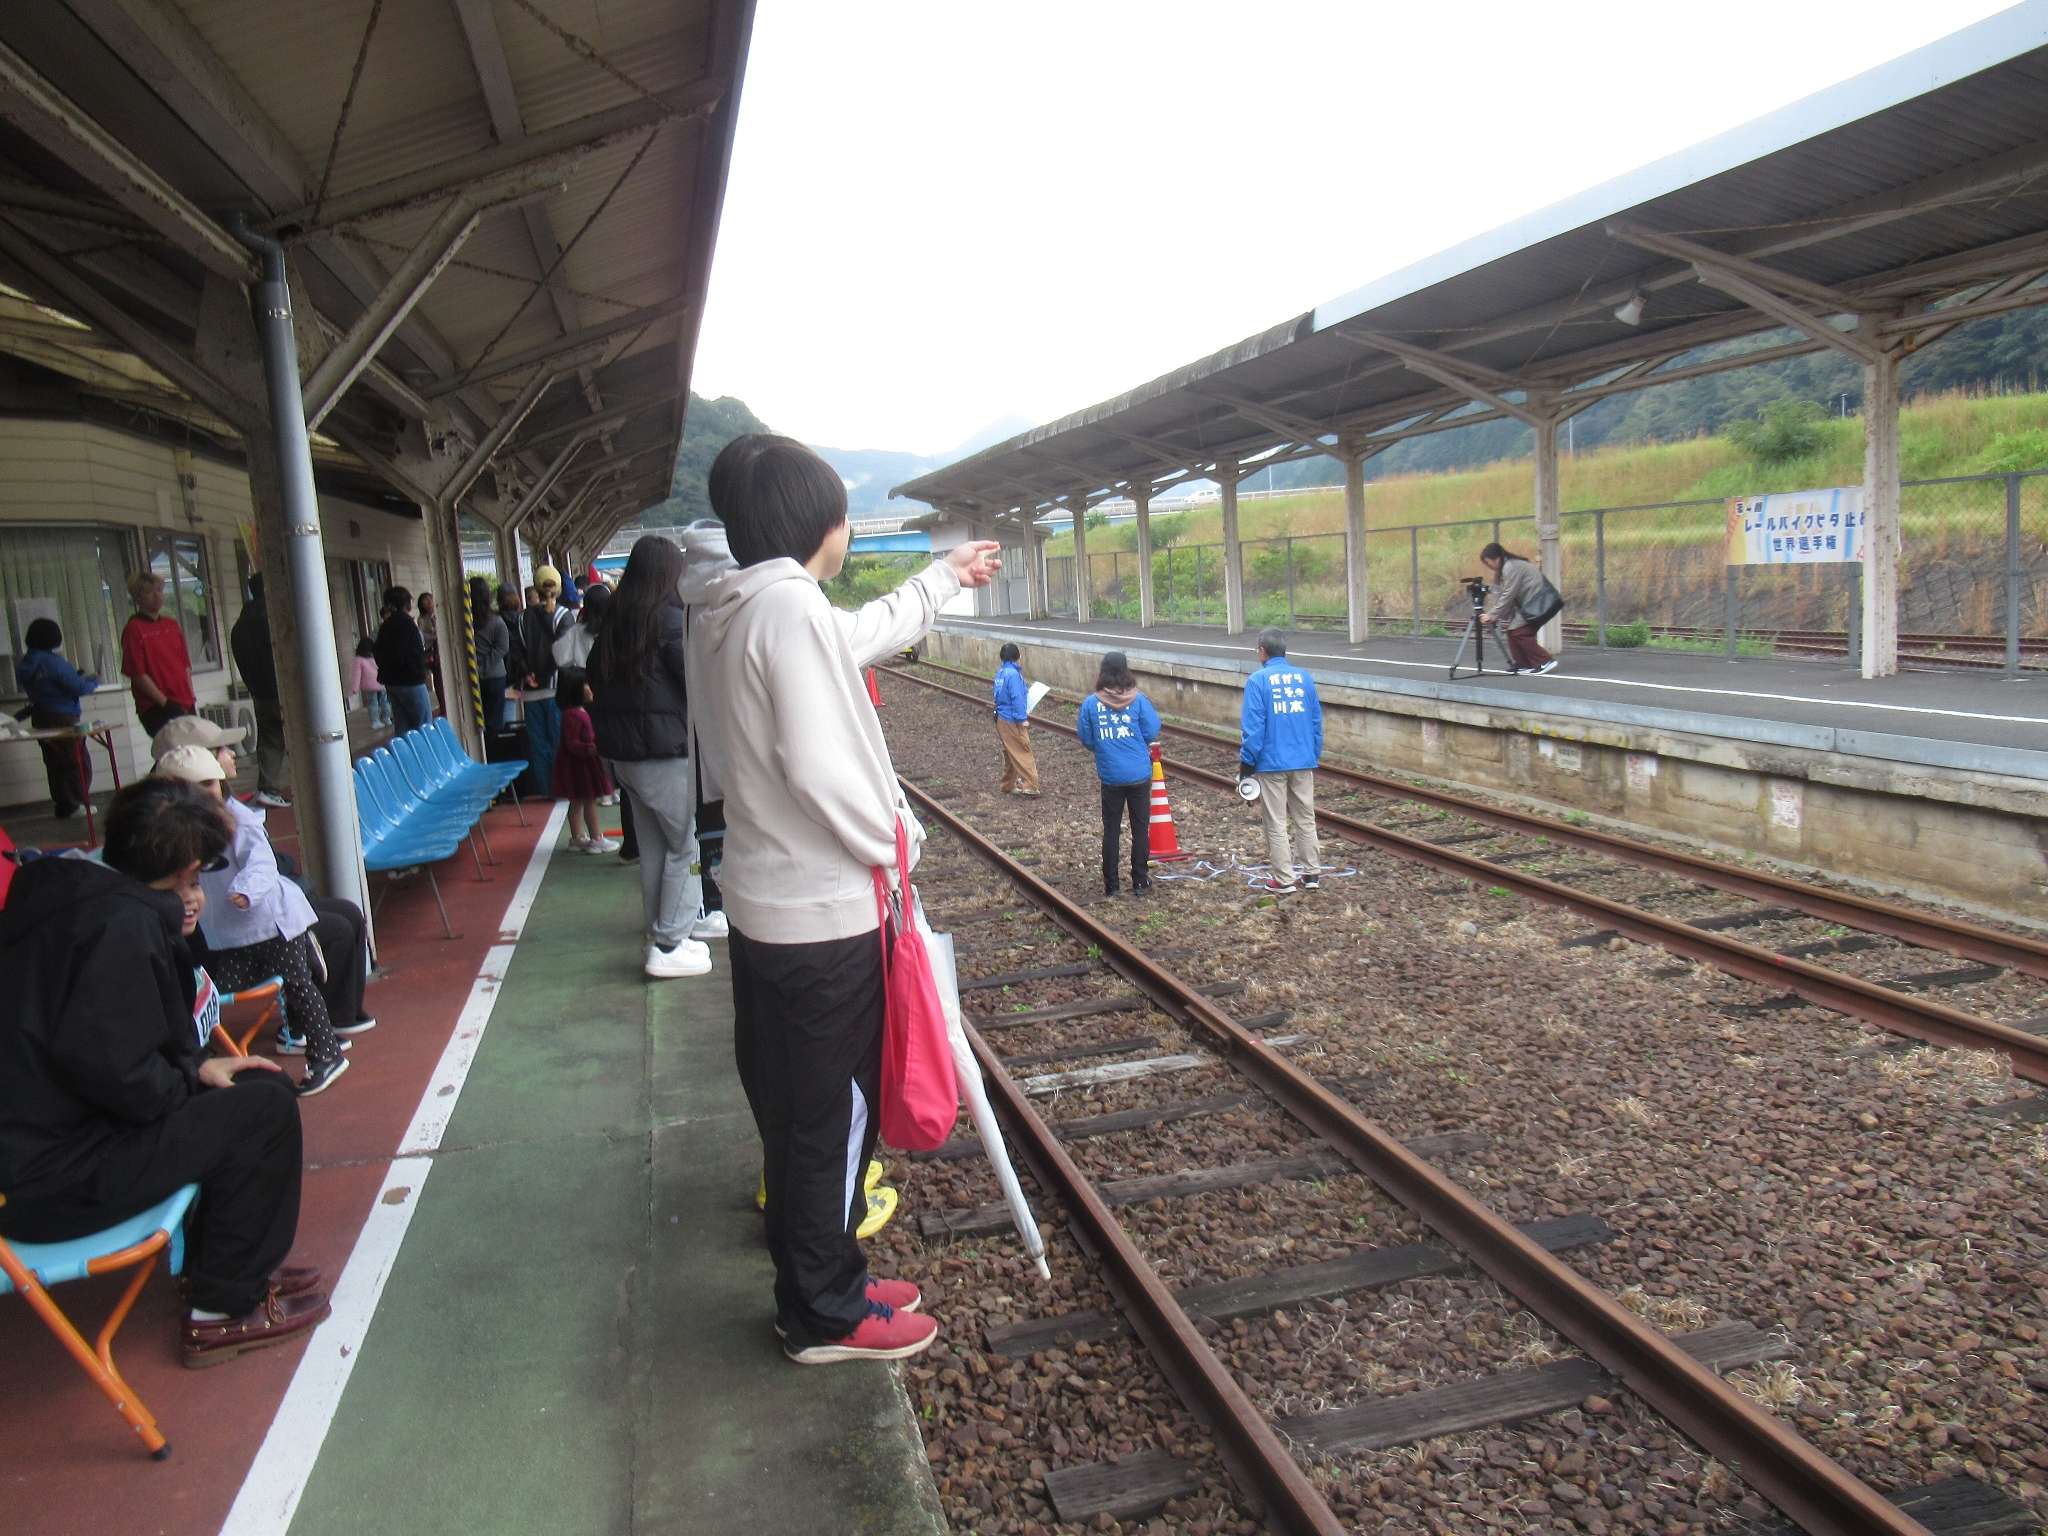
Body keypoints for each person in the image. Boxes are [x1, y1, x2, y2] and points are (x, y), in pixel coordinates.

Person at [688, 432, 999, 1366]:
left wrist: (940, 578)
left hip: (765, 904)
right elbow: (825, 770)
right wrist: (897, 844)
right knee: (834, 1115)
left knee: (795, 1110)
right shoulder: (786, 610)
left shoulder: (738, 605)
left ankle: (821, 1273)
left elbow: (853, 636)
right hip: (824, 916)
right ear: (815, 522)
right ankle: (823, 1311)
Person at [0, 777, 331, 1365]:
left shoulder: (70, 897)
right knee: (266, 1110)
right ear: (183, 870)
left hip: (48, 1145)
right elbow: (127, 1081)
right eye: (199, 872)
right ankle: (221, 1310)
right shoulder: (118, 931)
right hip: (57, 1180)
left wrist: (196, 1070)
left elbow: (115, 1055)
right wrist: (188, 1075)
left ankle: (224, 1266)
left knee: (250, 1083)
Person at [153, 745, 359, 1096]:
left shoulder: (239, 820)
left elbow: (262, 862)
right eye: (193, 788)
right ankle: (217, 1049)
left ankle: (326, 1054)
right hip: (231, 934)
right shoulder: (181, 829)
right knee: (215, 988)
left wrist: (246, 890)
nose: (205, 794)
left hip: (274, 921)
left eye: (210, 784)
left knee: (299, 986)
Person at [591, 537, 711, 977]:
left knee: (656, 848)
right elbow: (696, 680)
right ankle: (670, 941)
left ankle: (660, 934)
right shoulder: (668, 621)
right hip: (665, 752)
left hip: (626, 759)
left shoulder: (615, 623)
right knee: (686, 844)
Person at [677, 518, 738, 918]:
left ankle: (713, 905)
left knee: (710, 822)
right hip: (737, 732)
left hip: (700, 734)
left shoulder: (687, 593)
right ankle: (726, 905)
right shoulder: (737, 588)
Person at [1239, 630, 1324, 895]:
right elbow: (1315, 722)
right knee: (1305, 817)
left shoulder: (1258, 681)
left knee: (1275, 821)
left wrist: (1246, 766)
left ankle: (1284, 879)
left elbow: (1254, 729)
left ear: (1262, 650)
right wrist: (1313, 753)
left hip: (1271, 763)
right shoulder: (1304, 679)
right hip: (1303, 759)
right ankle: (1312, 874)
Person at [1076, 651, 1162, 898]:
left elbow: (1086, 738)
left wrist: (1105, 747)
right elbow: (1152, 730)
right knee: (1140, 827)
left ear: (1102, 672)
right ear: (1126, 671)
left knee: (1111, 830)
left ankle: (1111, 885)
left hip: (1111, 776)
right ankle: (1139, 880)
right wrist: (1134, 743)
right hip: (1139, 774)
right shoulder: (1139, 700)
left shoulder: (1091, 704)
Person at [15, 617, 98, 820]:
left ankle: (63, 805)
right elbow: (77, 687)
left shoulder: (26, 663)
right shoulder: (53, 662)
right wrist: (93, 681)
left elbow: (46, 685)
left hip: (41, 717)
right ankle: (76, 804)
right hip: (63, 718)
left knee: (54, 763)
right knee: (75, 760)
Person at [230, 573, 291, 809]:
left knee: (269, 740)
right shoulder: (274, 619)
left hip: (259, 692)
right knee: (300, 737)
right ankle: (318, 784)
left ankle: (268, 787)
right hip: (283, 690)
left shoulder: (239, 626)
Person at [518, 566, 572, 798]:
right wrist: (545, 675)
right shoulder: (564, 616)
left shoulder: (523, 617)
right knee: (560, 741)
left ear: (537, 589)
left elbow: (516, 652)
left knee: (539, 744)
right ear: (558, 588)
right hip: (556, 688)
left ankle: (546, 789)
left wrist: (528, 675)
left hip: (530, 691)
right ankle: (563, 787)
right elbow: (563, 653)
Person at [121, 570, 195, 736]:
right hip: (158, 705)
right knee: (173, 752)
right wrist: (164, 702)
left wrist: (190, 696)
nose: (157, 596)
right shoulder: (134, 628)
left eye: (159, 590)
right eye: (149, 592)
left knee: (194, 751)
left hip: (184, 700)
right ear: (138, 597)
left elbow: (185, 665)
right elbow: (138, 674)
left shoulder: (171, 624)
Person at [552, 667, 617, 855]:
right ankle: (596, 838)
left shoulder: (573, 712)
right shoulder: (576, 714)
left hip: (576, 765)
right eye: (586, 684)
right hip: (581, 766)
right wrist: (591, 748)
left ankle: (577, 837)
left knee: (577, 801)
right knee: (589, 801)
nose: (590, 688)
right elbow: (572, 742)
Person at [1478, 542, 1560, 675]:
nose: (1489, 566)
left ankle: (1545, 661)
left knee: (1519, 631)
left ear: (1496, 558)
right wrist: (1495, 614)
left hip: (1540, 601)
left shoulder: (1510, 567)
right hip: (1534, 602)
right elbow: (1504, 594)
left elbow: (1509, 594)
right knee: (1513, 631)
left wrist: (1492, 615)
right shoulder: (1506, 567)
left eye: (1488, 562)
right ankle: (1524, 664)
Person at [374, 586, 432, 734]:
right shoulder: (407, 624)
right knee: (424, 726)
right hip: (411, 681)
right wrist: (420, 671)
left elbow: (378, 651)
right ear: (406, 602)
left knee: (402, 726)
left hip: (392, 682)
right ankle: (424, 756)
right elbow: (413, 652)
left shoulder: (385, 626)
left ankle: (404, 756)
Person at [991, 642, 1039, 795]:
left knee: (1010, 751)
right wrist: (1021, 718)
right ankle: (1030, 785)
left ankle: (1007, 784)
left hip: (1001, 718)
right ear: (1017, 656)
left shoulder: (1000, 673)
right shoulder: (1013, 674)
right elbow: (1017, 697)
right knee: (1022, 750)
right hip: (1012, 718)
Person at [469, 575, 510, 738]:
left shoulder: (462, 622)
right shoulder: (496, 621)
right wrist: (485, 666)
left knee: (475, 722)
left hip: (471, 678)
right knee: (495, 720)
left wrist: (477, 668)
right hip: (495, 676)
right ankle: (495, 753)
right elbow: (502, 647)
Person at [351, 636, 390, 730]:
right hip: (381, 683)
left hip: (369, 686)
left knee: (372, 703)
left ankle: (376, 722)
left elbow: (357, 674)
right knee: (385, 701)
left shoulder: (359, 659)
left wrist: (355, 688)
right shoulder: (376, 656)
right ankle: (387, 719)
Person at [417, 591, 443, 715]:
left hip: (440, 651)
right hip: (432, 653)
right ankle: (443, 705)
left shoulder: (438, 615)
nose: (429, 603)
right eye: (425, 601)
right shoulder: (422, 619)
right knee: (438, 680)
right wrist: (434, 635)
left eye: (430, 600)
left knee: (441, 679)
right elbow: (423, 636)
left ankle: (444, 705)